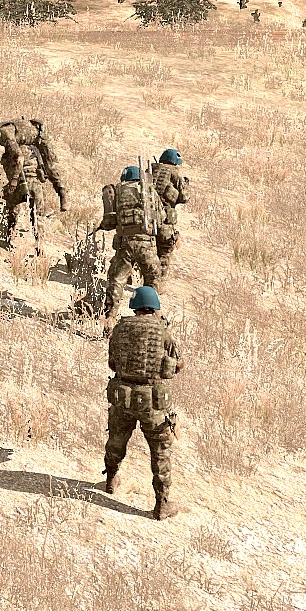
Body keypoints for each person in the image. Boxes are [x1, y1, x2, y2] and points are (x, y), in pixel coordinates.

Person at [104, 287, 184, 520]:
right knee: (160, 452)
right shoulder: (162, 331)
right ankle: (161, 505)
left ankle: (111, 480)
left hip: (123, 397)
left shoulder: (120, 328)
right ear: (154, 307)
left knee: (116, 440)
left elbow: (112, 363)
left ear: (135, 306)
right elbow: (178, 364)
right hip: (153, 402)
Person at [0, 119, 67, 251]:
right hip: (35, 184)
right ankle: (39, 245)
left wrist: (12, 180)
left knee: (51, 167)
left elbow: (18, 156)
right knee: (37, 215)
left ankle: (62, 193)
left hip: (24, 175)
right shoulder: (18, 145)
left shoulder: (7, 139)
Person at [97, 165, 161, 297]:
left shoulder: (117, 191)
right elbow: (160, 219)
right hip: (147, 243)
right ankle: (150, 307)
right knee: (152, 281)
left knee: (116, 281)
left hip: (125, 243)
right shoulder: (150, 192)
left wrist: (103, 225)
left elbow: (109, 223)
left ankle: (110, 309)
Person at [149, 148, 190, 271]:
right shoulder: (175, 173)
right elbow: (184, 198)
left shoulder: (150, 170)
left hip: (146, 217)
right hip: (165, 221)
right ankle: (158, 280)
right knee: (164, 253)